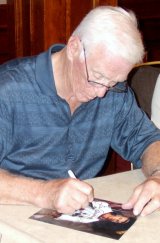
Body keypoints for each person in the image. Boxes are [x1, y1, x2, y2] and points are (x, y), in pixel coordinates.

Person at [0, 6, 160, 217]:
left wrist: (158, 177)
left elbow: (148, 141)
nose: (103, 92)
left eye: (114, 82)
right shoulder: (9, 90)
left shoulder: (114, 93)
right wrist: (44, 193)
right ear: (74, 47)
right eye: (97, 77)